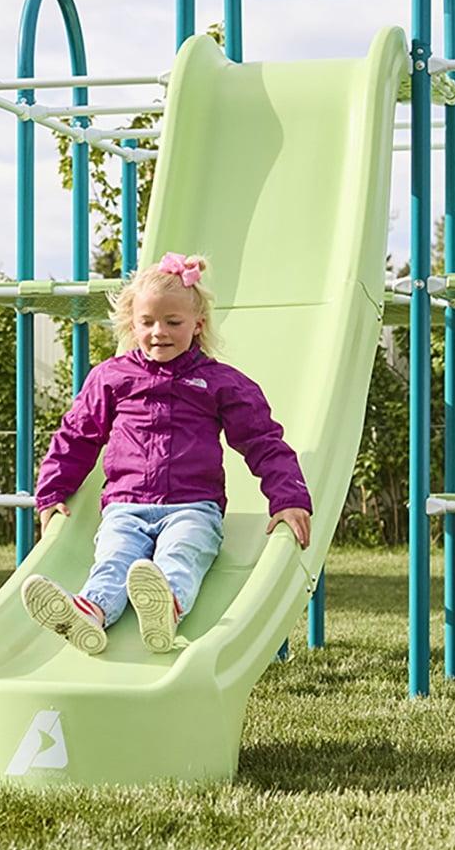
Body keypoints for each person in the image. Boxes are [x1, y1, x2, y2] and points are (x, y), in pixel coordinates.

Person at [21, 252, 312, 655]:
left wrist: (289, 498)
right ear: (131, 324)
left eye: (173, 322)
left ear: (198, 325)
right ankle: (90, 613)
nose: (160, 331)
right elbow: (78, 435)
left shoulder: (219, 383)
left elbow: (263, 441)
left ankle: (166, 608)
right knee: (113, 557)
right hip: (124, 505)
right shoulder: (112, 377)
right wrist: (51, 492)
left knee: (182, 552)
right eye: (147, 322)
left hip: (194, 507)